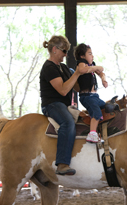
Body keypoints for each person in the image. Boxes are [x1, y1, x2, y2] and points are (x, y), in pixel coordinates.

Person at [40, 35, 88, 176]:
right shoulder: (49, 67)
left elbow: (77, 88)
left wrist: (84, 73)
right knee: (67, 122)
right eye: (64, 51)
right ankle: (62, 163)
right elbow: (63, 90)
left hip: (64, 105)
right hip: (52, 104)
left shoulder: (64, 68)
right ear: (54, 49)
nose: (66, 54)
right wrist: (76, 73)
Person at [74, 43, 108, 143]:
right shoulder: (82, 63)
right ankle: (92, 133)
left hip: (95, 96)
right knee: (96, 112)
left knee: (106, 108)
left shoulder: (92, 65)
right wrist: (96, 67)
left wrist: (103, 79)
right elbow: (82, 70)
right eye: (89, 54)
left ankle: (102, 130)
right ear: (82, 56)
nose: (92, 56)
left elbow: (102, 73)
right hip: (87, 96)